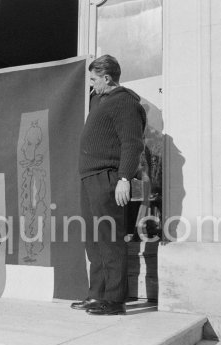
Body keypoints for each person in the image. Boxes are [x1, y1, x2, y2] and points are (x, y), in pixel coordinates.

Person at [71, 55, 146, 314]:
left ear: (107, 77)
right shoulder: (99, 101)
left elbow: (132, 143)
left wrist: (124, 178)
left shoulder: (124, 101)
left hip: (108, 177)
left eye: (94, 79)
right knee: (94, 239)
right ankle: (97, 295)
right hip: (90, 177)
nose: (91, 84)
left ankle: (114, 300)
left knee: (109, 239)